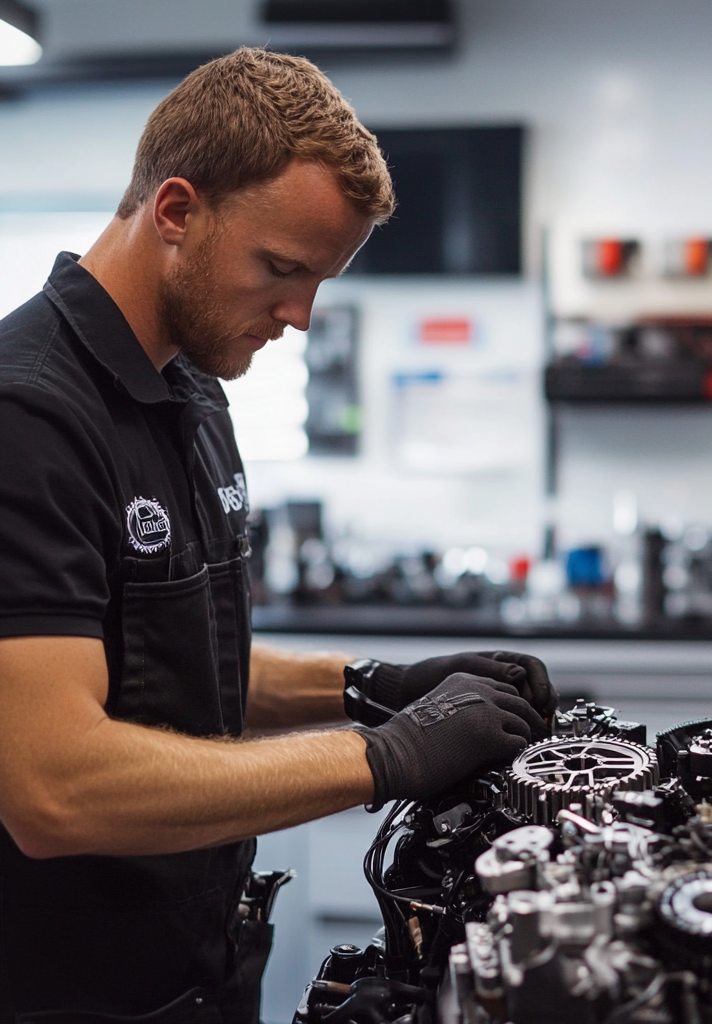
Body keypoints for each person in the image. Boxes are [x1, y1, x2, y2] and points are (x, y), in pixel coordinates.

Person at [0, 47, 557, 1024]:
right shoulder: (29, 417)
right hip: (69, 992)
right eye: (281, 269)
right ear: (175, 211)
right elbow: (53, 784)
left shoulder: (192, 393)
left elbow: (176, 660)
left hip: (206, 971)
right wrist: (382, 755)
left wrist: (373, 684)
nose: (300, 316)